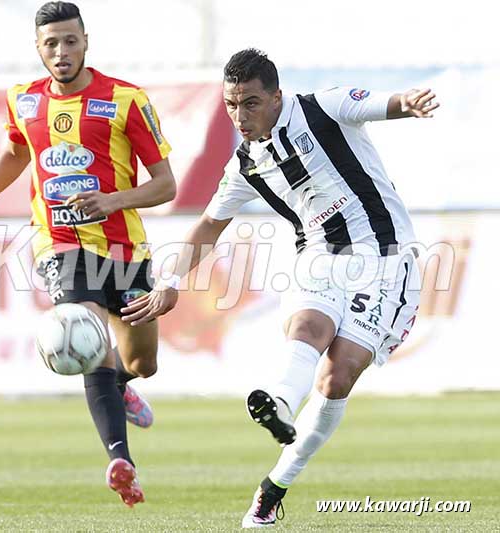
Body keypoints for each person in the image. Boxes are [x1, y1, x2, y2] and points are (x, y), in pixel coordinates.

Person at [121, 48, 436, 526]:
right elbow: (209, 226)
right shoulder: (245, 166)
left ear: (276, 96)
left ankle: (275, 485)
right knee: (307, 327)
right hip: (319, 258)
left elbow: (380, 103)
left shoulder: (323, 107)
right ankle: (279, 403)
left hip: (387, 258)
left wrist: (407, 101)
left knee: (337, 377)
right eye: (231, 104)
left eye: (250, 102)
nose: (239, 116)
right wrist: (170, 281)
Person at [0, 1, 176, 507]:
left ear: (86, 41)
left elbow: (166, 185)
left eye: (70, 41)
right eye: (51, 43)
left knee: (143, 363)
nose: (61, 51)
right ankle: (120, 460)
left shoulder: (125, 100)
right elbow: (14, 153)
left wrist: (112, 200)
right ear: (38, 48)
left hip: (126, 248)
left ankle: (122, 385)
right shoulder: (23, 101)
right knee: (90, 337)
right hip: (60, 246)